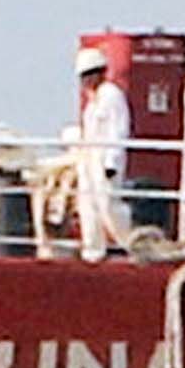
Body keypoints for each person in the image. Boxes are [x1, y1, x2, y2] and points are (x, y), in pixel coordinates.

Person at [67, 45, 130, 260]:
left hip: (104, 160)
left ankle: (129, 243)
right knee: (88, 204)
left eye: (88, 75)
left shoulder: (112, 96)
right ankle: (93, 250)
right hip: (89, 159)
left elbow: (118, 130)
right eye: (82, 76)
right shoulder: (91, 103)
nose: (85, 81)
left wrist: (112, 162)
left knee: (108, 204)